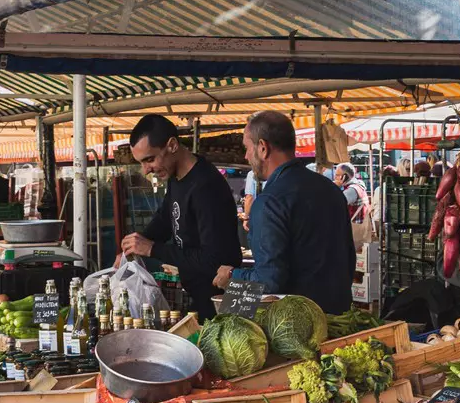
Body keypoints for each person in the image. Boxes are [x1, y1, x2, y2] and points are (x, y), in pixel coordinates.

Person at [210, 112, 355, 311]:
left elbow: (269, 283)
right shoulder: (331, 189)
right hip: (339, 320)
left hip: (296, 327)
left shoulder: (269, 202)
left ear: (262, 148)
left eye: (247, 148)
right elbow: (348, 261)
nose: (245, 156)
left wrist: (232, 277)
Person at [119, 114, 241, 319]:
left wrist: (152, 248)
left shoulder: (206, 186)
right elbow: (165, 218)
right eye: (141, 162)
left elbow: (214, 260)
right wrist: (133, 246)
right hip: (198, 296)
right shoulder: (178, 178)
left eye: (150, 159)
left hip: (221, 304)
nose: (146, 170)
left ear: (173, 145)